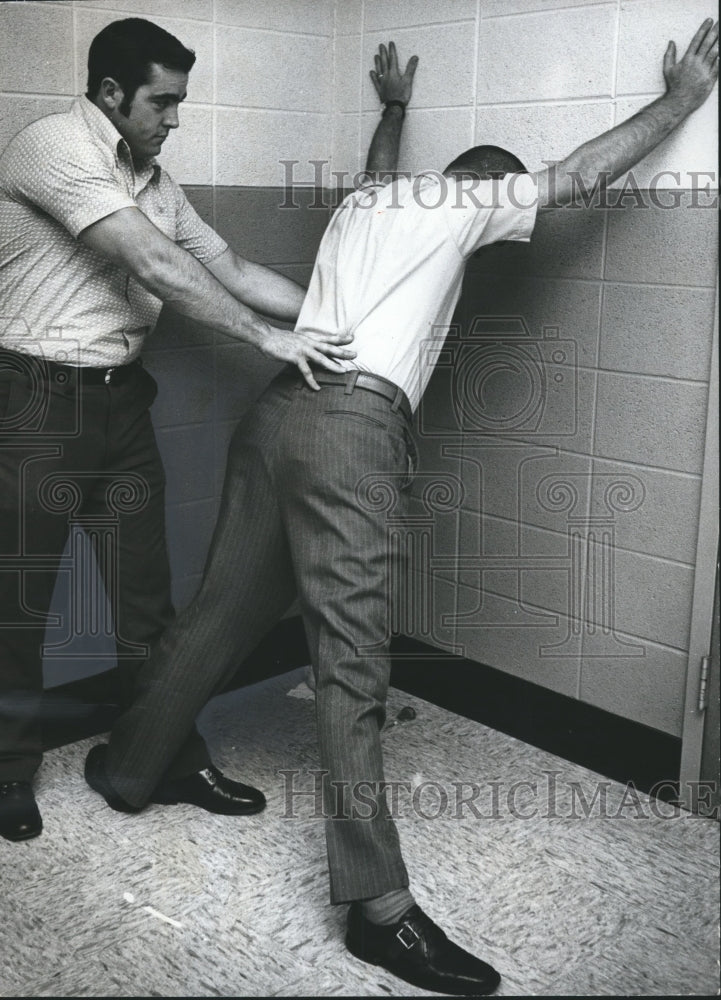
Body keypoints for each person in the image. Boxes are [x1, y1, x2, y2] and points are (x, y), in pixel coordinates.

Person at [83, 20, 717, 998]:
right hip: (348, 434)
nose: (506, 226)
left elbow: (388, 168)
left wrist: (390, 112)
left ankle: (129, 769)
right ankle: (379, 911)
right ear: (482, 188)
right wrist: (679, 104)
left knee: (217, 610)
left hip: (276, 416)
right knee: (353, 663)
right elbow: (575, 174)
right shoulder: (467, 199)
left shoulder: (373, 201)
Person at [0, 16, 359, 844]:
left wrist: (336, 319)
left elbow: (227, 268)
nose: (173, 118)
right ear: (112, 92)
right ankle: (9, 769)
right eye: (162, 101)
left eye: (181, 103)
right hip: (35, 404)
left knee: (145, 602)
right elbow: (153, 264)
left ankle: (161, 754)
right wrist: (269, 340)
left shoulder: (157, 181)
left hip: (122, 404)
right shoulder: (53, 145)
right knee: (19, 600)